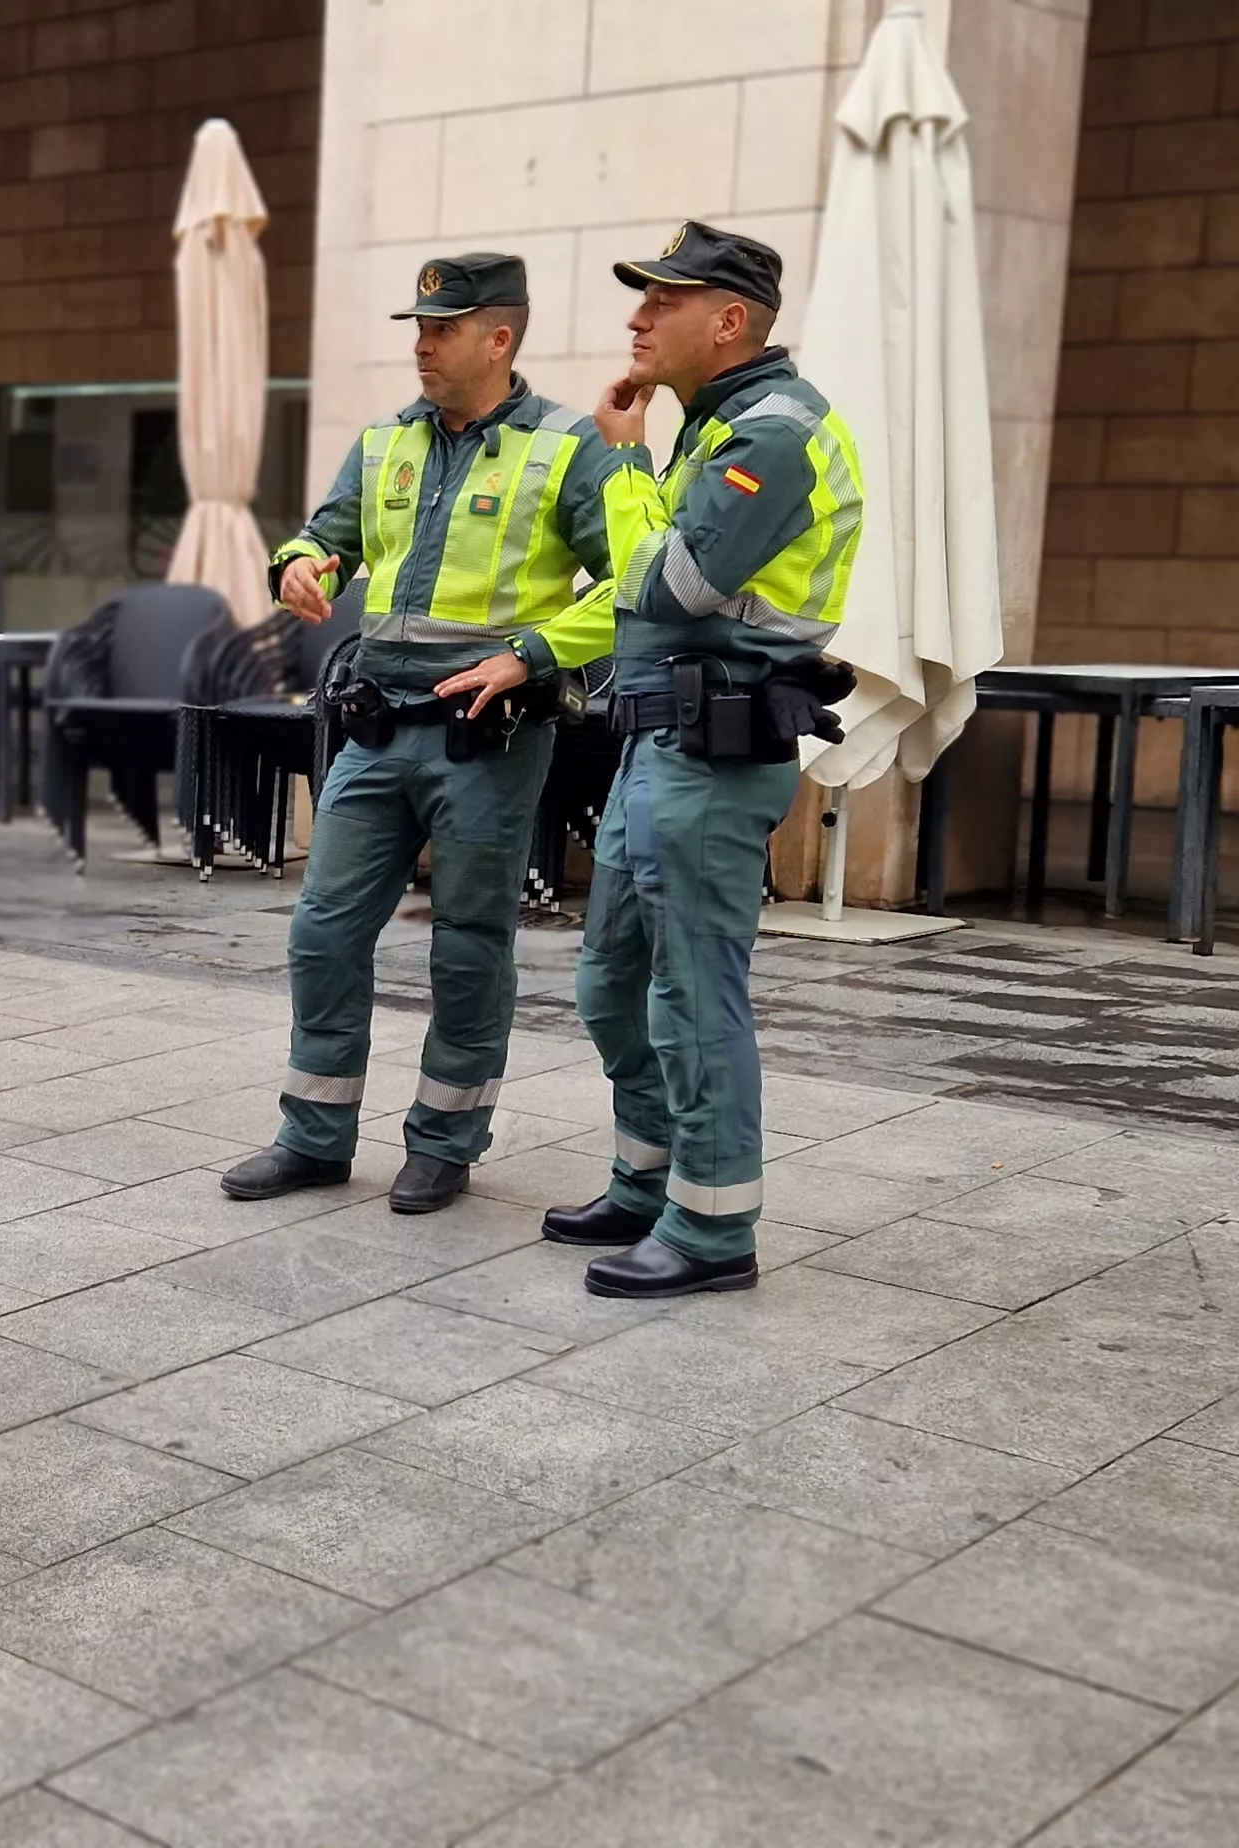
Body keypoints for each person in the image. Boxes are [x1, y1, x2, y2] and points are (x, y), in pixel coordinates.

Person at [219, 253, 649, 1217]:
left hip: (486, 739)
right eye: (417, 326)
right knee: (323, 934)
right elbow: (323, 534)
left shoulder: (568, 449)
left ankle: (445, 1142)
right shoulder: (384, 444)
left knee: (467, 948)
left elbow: (633, 587)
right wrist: (301, 564)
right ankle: (313, 1135)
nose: (422, 343)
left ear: (499, 337)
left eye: (442, 328)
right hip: (374, 729)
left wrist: (532, 654)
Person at [553, 222, 867, 1301]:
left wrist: (620, 463)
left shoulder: (771, 436)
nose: (636, 319)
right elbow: (632, 587)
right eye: (639, 300)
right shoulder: (717, 428)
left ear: (727, 322)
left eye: (660, 302)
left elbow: (667, 587)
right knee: (610, 986)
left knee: (692, 994)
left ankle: (711, 1225)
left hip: (711, 752)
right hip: (655, 745)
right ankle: (646, 1181)